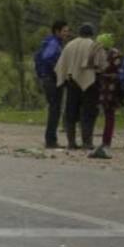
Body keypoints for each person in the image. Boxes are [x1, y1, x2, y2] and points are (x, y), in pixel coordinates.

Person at [55, 24, 105, 150]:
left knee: (71, 112)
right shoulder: (95, 46)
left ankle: (71, 143)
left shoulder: (70, 45)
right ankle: (87, 142)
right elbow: (102, 66)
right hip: (90, 83)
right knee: (88, 113)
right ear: (91, 33)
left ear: (80, 32)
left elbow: (61, 65)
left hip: (72, 82)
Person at [34, 20, 70, 148]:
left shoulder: (52, 42)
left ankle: (51, 139)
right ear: (57, 31)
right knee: (55, 109)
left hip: (47, 78)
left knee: (54, 109)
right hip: (51, 80)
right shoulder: (54, 43)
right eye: (65, 31)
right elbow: (47, 57)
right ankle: (51, 140)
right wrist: (57, 71)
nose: (67, 33)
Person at [90, 33, 123, 159]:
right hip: (108, 89)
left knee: (109, 115)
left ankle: (106, 141)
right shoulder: (114, 54)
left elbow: (104, 70)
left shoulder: (110, 54)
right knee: (109, 115)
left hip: (109, 90)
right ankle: (106, 140)